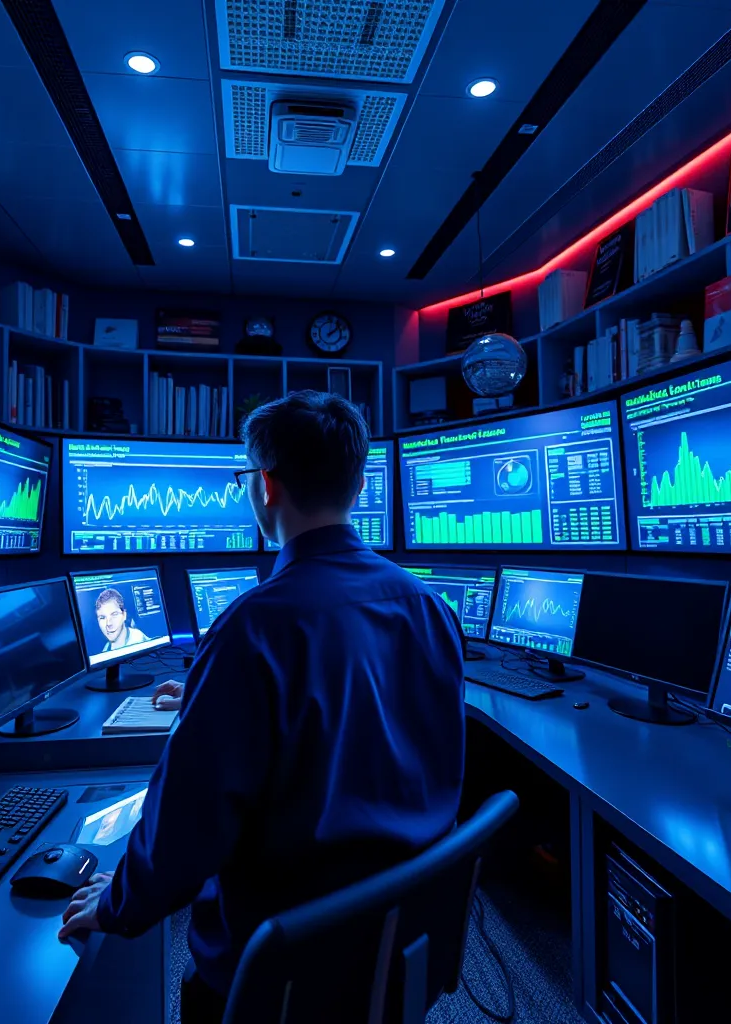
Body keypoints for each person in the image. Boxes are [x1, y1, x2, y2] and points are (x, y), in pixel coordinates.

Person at [59, 391, 465, 1023]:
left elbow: (186, 831)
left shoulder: (254, 627)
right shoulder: (427, 608)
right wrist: (212, 692)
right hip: (398, 930)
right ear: (357, 484)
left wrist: (118, 902)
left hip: (282, 962)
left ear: (265, 488)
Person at [94, 588, 148, 653]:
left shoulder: (139, 640)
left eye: (114, 614)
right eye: (102, 617)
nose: (108, 623)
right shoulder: (106, 648)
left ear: (124, 615)